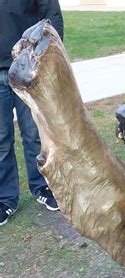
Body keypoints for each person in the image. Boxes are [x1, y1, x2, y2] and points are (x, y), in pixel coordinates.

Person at [0, 0, 64, 225]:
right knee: (1, 139)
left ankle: (42, 186)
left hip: (27, 68)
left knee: (34, 134)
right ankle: (5, 199)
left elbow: (51, 15)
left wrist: (51, 57)